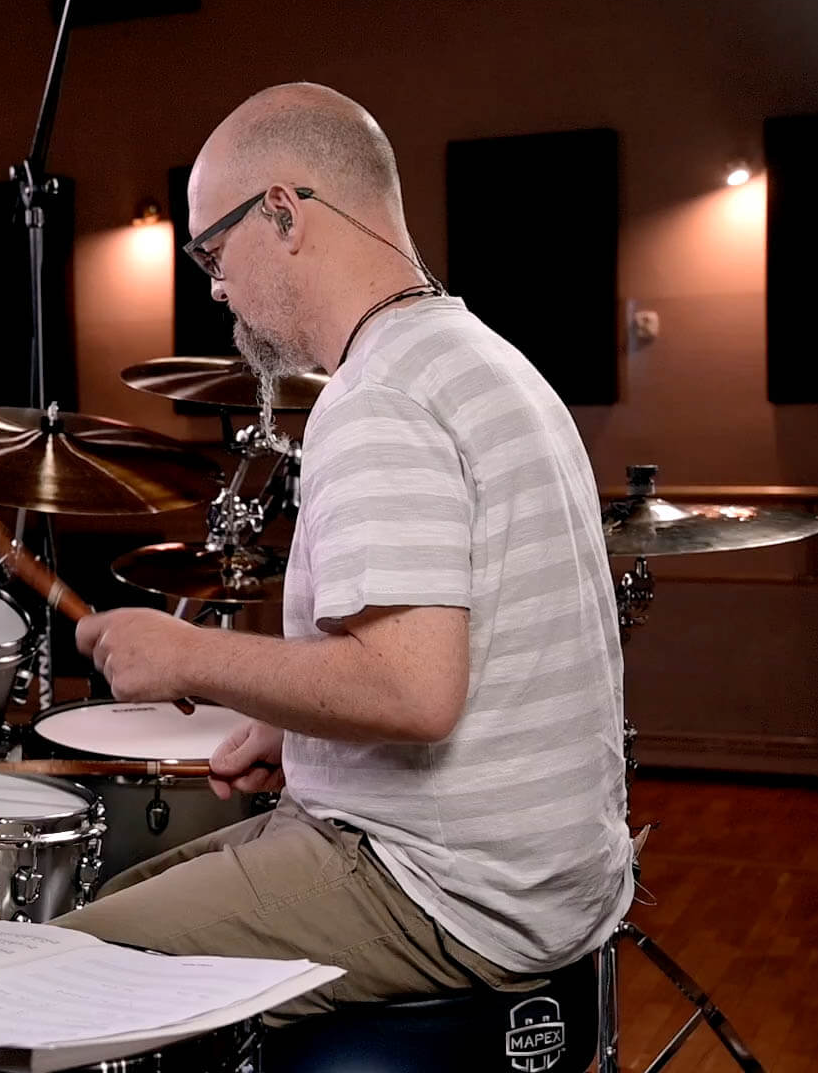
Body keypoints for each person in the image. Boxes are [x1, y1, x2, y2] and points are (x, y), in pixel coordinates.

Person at [52, 83, 632, 1019]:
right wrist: (294, 725)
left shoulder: (378, 397)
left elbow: (413, 691)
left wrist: (188, 655)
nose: (214, 287)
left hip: (450, 891)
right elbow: (461, 647)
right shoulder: (483, 357)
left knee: (57, 970)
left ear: (282, 211)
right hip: (550, 877)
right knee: (111, 902)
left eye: (212, 250)